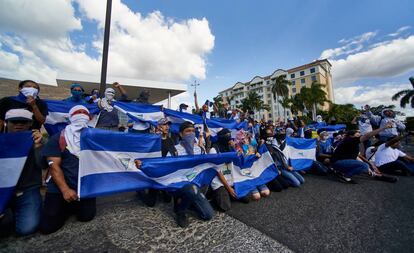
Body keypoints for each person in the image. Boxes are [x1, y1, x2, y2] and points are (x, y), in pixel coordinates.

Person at [136, 121, 215, 227]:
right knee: (190, 189)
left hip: (197, 185)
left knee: (208, 215)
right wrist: (144, 164)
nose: (191, 133)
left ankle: (190, 201)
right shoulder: (174, 151)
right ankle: (180, 210)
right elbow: (165, 168)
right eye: (188, 131)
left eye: (192, 131)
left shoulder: (199, 149)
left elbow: (207, 165)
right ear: (181, 134)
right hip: (179, 185)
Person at [39, 105, 96, 234]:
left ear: (89, 117)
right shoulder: (58, 138)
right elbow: (53, 166)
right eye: (77, 112)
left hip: (85, 186)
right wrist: (65, 190)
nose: (81, 114)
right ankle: (63, 204)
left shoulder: (94, 136)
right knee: (48, 227)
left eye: (84, 112)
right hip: (60, 187)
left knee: (86, 217)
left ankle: (72, 204)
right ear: (70, 117)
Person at [0, 109, 44, 237]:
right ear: (6, 123)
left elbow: (43, 165)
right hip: (2, 190)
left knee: (27, 229)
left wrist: (38, 148)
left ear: (30, 124)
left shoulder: (37, 140)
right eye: (15, 121)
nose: (19, 124)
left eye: (23, 122)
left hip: (27, 190)